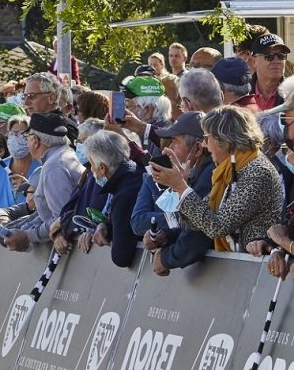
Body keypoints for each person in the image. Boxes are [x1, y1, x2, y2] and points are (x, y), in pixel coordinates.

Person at [151, 105, 283, 257]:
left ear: (224, 140)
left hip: (257, 271)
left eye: (207, 138)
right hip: (241, 268)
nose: (205, 145)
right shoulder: (227, 171)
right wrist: (181, 186)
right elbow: (196, 223)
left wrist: (181, 187)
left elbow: (217, 226)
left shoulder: (257, 172)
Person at [138, 112, 214, 275]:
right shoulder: (199, 173)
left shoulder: (210, 174)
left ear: (198, 148)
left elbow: (199, 235)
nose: (167, 149)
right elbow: (191, 225)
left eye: (174, 142)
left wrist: (165, 259)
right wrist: (167, 236)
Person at [2, 112, 85, 252]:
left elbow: (62, 218)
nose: (27, 142)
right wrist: (23, 226)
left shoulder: (53, 167)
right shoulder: (65, 154)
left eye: (27, 137)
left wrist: (28, 235)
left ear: (35, 141)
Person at [72, 131, 142, 267]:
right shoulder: (136, 174)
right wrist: (107, 227)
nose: (92, 170)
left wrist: (111, 236)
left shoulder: (123, 195)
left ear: (102, 168)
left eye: (92, 165)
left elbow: (121, 257)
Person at [251, 33, 290, 112]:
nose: (276, 61)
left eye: (281, 55)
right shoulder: (241, 94)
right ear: (254, 61)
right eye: (269, 55)